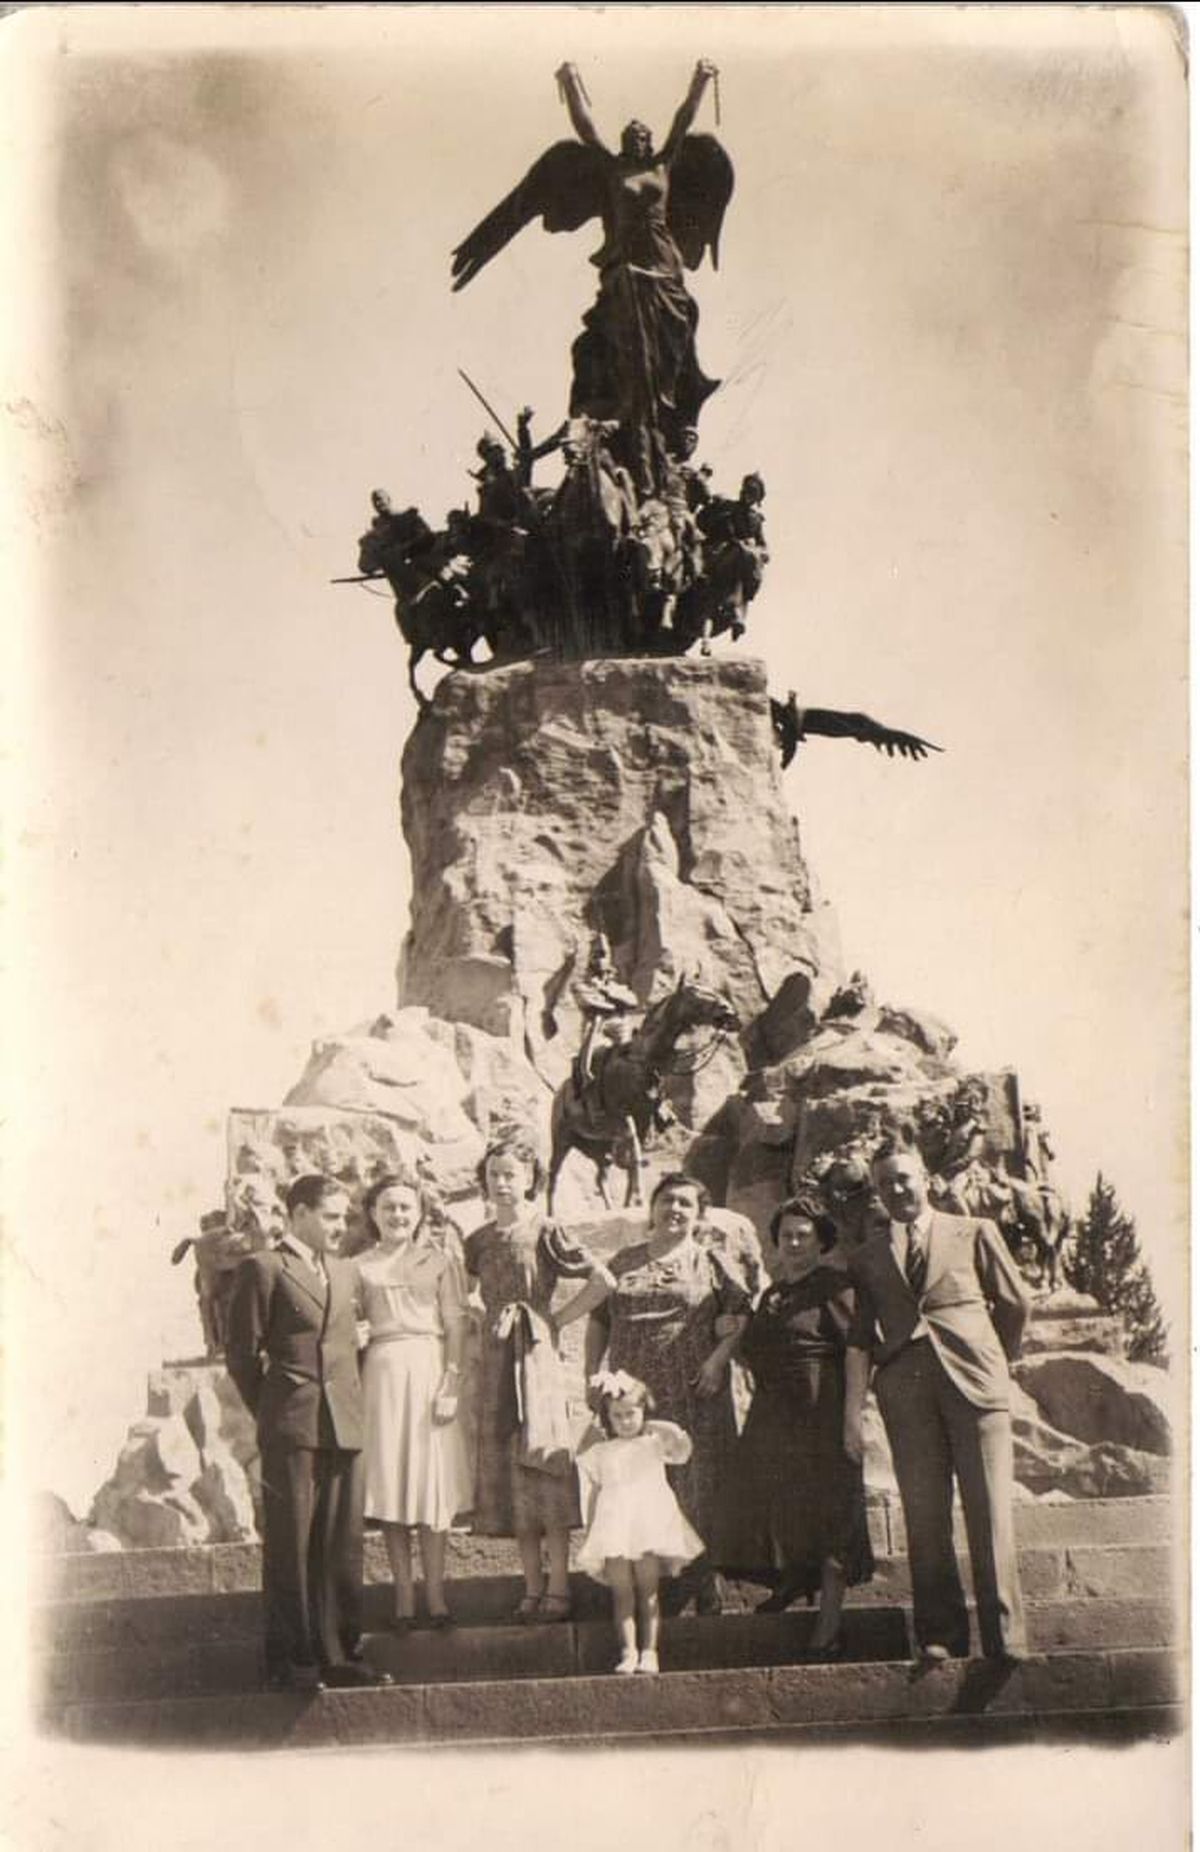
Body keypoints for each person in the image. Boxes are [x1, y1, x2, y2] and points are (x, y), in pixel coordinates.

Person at [844, 1131, 1032, 1665]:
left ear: (925, 1178)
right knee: (925, 1516)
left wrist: (997, 1359)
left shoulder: (973, 1232)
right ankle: (941, 1636)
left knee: (989, 1509)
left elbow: (1015, 1303)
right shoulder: (868, 1257)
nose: (896, 1189)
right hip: (907, 1392)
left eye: (904, 1177)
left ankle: (1006, 1638)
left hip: (977, 1386)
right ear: (877, 1194)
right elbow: (862, 1329)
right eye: (885, 1184)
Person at [225, 1173, 392, 1692]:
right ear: (297, 1213)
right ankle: (293, 1661)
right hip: (292, 1425)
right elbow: (241, 1357)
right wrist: (277, 1409)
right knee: (292, 1544)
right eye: (330, 1216)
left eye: (344, 1217)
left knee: (342, 1545)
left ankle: (340, 1653)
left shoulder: (344, 1273)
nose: (340, 1226)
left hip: (344, 1424)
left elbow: (344, 1347)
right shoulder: (264, 1268)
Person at [571, 1172, 750, 1614]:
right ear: (652, 1208)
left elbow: (742, 1315)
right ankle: (647, 1585)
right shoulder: (623, 1262)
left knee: (699, 1482)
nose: (675, 1210)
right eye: (667, 1200)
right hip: (633, 1400)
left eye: (686, 1204)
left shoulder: (711, 1262)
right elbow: (599, 1322)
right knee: (639, 1486)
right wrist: (593, 1375)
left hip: (695, 1390)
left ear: (698, 1214)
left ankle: (703, 1581)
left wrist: (716, 1361)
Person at [464, 1129, 612, 1621]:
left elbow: (602, 1280)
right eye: (493, 1175)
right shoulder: (478, 1239)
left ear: (530, 1178)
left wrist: (556, 1321)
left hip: (536, 1357)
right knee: (510, 1470)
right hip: (495, 1359)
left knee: (544, 1466)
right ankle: (530, 1589)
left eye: (511, 1174)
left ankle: (560, 1590)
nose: (501, 1183)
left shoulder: (546, 1229)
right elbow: (468, 1295)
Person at [715, 1199, 874, 1655]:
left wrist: (851, 1420)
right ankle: (789, 1583)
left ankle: (828, 1624)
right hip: (772, 1418)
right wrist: (734, 1331)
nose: (795, 1242)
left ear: (822, 1241)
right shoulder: (772, 1295)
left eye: (805, 1235)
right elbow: (757, 1355)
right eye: (787, 1235)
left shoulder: (835, 1287)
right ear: (776, 1242)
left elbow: (856, 1352)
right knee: (777, 1504)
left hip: (820, 1416)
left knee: (831, 1513)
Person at [357, 1171, 474, 1632]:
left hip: (428, 1368)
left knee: (432, 1484)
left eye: (406, 1207)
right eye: (388, 1207)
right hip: (383, 1373)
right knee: (392, 1483)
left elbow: (456, 1325)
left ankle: (437, 1595)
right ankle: (404, 1595)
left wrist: (451, 1384)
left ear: (420, 1213)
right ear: (373, 1213)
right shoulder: (359, 1265)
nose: (397, 1215)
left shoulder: (439, 1261)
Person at [575, 1370, 704, 1674]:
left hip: (647, 1529)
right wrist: (594, 1533)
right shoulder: (601, 1452)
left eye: (631, 1413)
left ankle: (650, 1651)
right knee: (622, 1594)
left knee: (648, 1593)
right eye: (617, 1416)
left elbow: (682, 1448)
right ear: (608, 1417)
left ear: (643, 1411)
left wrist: (653, 1423)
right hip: (615, 1529)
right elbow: (594, 1495)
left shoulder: (653, 1444)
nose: (625, 1421)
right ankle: (628, 1651)